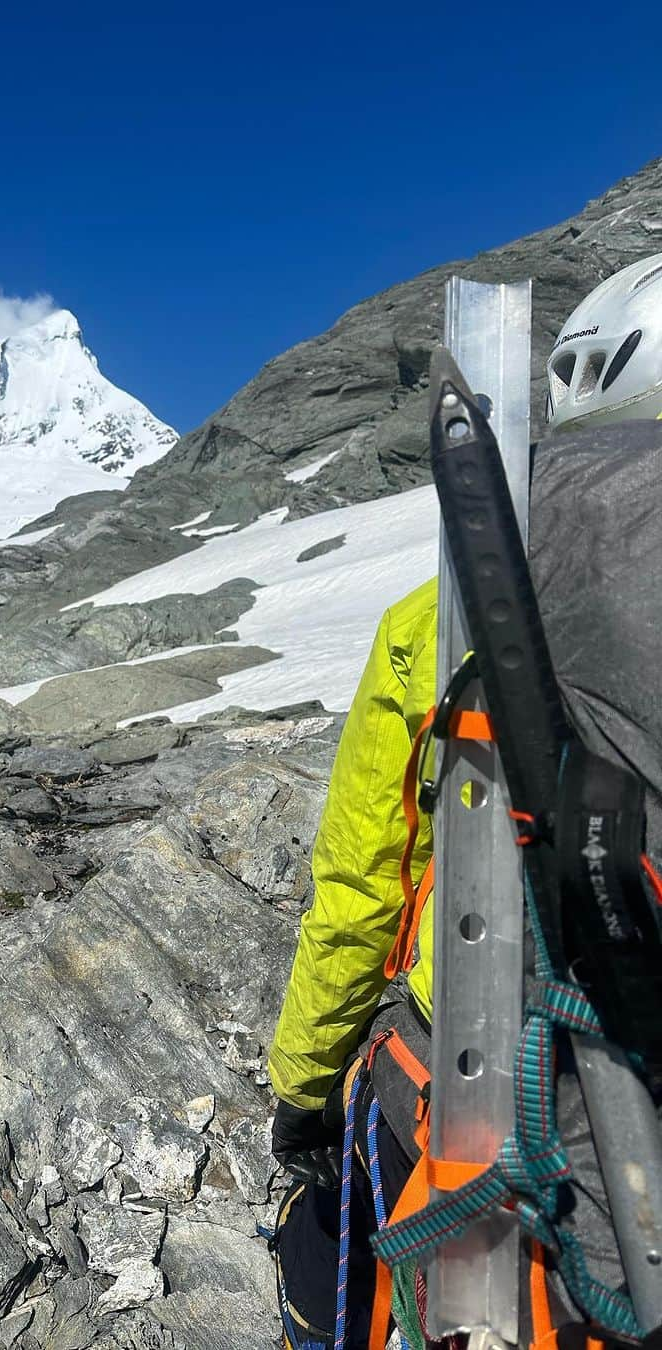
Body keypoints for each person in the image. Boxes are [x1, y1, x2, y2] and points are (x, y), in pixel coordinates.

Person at [266, 252, 662, 1350]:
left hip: (505, 1095)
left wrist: (302, 1095)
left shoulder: (435, 619)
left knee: (336, 1231)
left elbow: (357, 893)